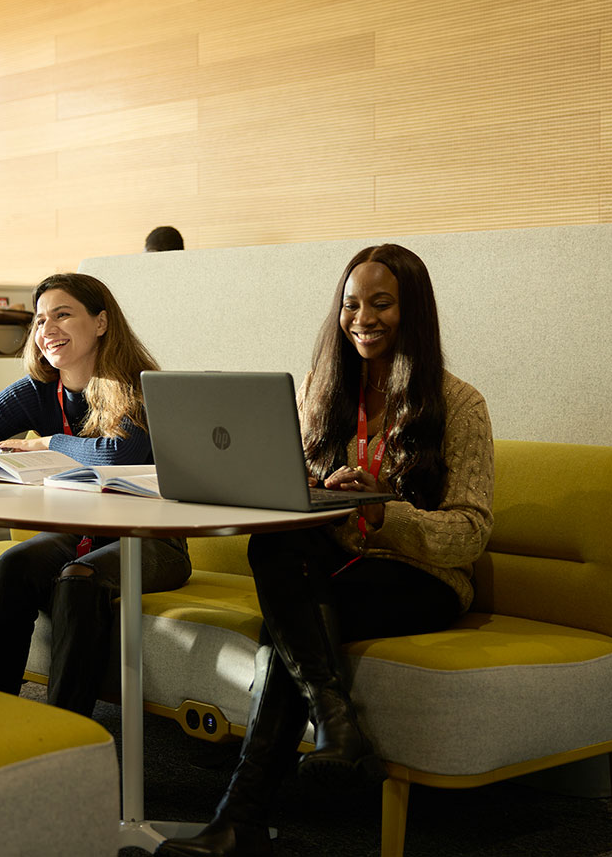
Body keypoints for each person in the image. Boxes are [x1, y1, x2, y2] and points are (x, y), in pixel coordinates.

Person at [158, 244, 495, 857]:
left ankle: (244, 816)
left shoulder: (460, 405)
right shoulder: (321, 390)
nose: (362, 317)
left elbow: (470, 532)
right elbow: (293, 485)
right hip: (333, 564)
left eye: (381, 303)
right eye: (350, 304)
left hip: (418, 578)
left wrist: (382, 510)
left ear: (412, 311)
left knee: (283, 631)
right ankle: (332, 722)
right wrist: (312, 492)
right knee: (278, 553)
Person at [0, 272, 192, 715]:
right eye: (40, 320)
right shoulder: (38, 391)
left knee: (78, 580)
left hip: (153, 539)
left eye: (63, 315)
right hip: (80, 533)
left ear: (101, 322)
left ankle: (67, 731)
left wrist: (45, 444)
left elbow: (118, 455)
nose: (48, 330)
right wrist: (11, 456)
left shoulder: (138, 385)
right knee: (11, 566)